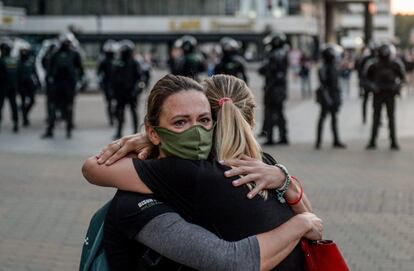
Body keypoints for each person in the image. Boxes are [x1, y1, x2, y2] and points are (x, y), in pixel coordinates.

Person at [83, 74, 322, 270]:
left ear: (214, 124)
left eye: (203, 120)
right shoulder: (258, 166)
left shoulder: (206, 174)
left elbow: (94, 168)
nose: (195, 132)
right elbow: (233, 260)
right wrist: (296, 206)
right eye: (180, 122)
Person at [42, 33, 84, 139]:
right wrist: (49, 81)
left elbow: (80, 69)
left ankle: (68, 129)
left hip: (69, 84)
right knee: (53, 107)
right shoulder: (54, 54)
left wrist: (78, 80)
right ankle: (50, 129)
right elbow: (48, 69)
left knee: (68, 107)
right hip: (57, 84)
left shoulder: (74, 54)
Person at [364, 44, 405, 150]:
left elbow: (402, 78)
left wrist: (397, 86)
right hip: (378, 94)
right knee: (376, 118)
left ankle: (393, 141)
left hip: (390, 94)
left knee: (391, 117)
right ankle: (373, 140)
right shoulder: (373, 65)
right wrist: (373, 87)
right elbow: (366, 79)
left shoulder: (395, 65)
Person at [258, 32, 290, 145]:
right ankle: (283, 136)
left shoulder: (274, 55)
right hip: (279, 88)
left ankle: (270, 137)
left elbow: (263, 69)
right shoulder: (283, 53)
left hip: (273, 88)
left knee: (271, 113)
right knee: (280, 113)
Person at [315, 44, 346, 150]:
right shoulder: (323, 68)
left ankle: (336, 140)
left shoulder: (334, 67)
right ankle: (318, 141)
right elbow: (324, 85)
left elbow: (336, 84)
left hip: (333, 95)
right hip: (326, 96)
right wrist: (328, 99)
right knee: (322, 118)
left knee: (333, 119)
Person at [111, 40, 143, 139]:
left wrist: (137, 90)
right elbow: (113, 78)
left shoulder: (134, 63)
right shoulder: (117, 63)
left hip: (131, 92)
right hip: (121, 93)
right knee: (120, 112)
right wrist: (114, 92)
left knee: (133, 111)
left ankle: (136, 131)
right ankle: (119, 131)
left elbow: (140, 78)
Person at [16, 42, 40, 127]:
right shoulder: (18, 62)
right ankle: (25, 119)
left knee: (32, 101)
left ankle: (25, 112)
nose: (24, 52)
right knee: (22, 101)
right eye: (22, 51)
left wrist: (38, 83)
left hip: (30, 84)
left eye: (25, 51)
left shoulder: (30, 62)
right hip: (21, 85)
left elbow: (35, 73)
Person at [0, 40, 19, 133]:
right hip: (10, 86)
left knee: (7, 106)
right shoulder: (14, 60)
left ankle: (15, 123)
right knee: (13, 105)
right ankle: (16, 123)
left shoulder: (2, 60)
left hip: (4, 87)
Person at [97, 40, 117, 126]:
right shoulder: (103, 61)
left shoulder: (117, 61)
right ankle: (111, 118)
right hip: (107, 83)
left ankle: (116, 115)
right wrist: (101, 82)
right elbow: (99, 73)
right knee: (109, 102)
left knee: (117, 102)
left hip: (116, 84)